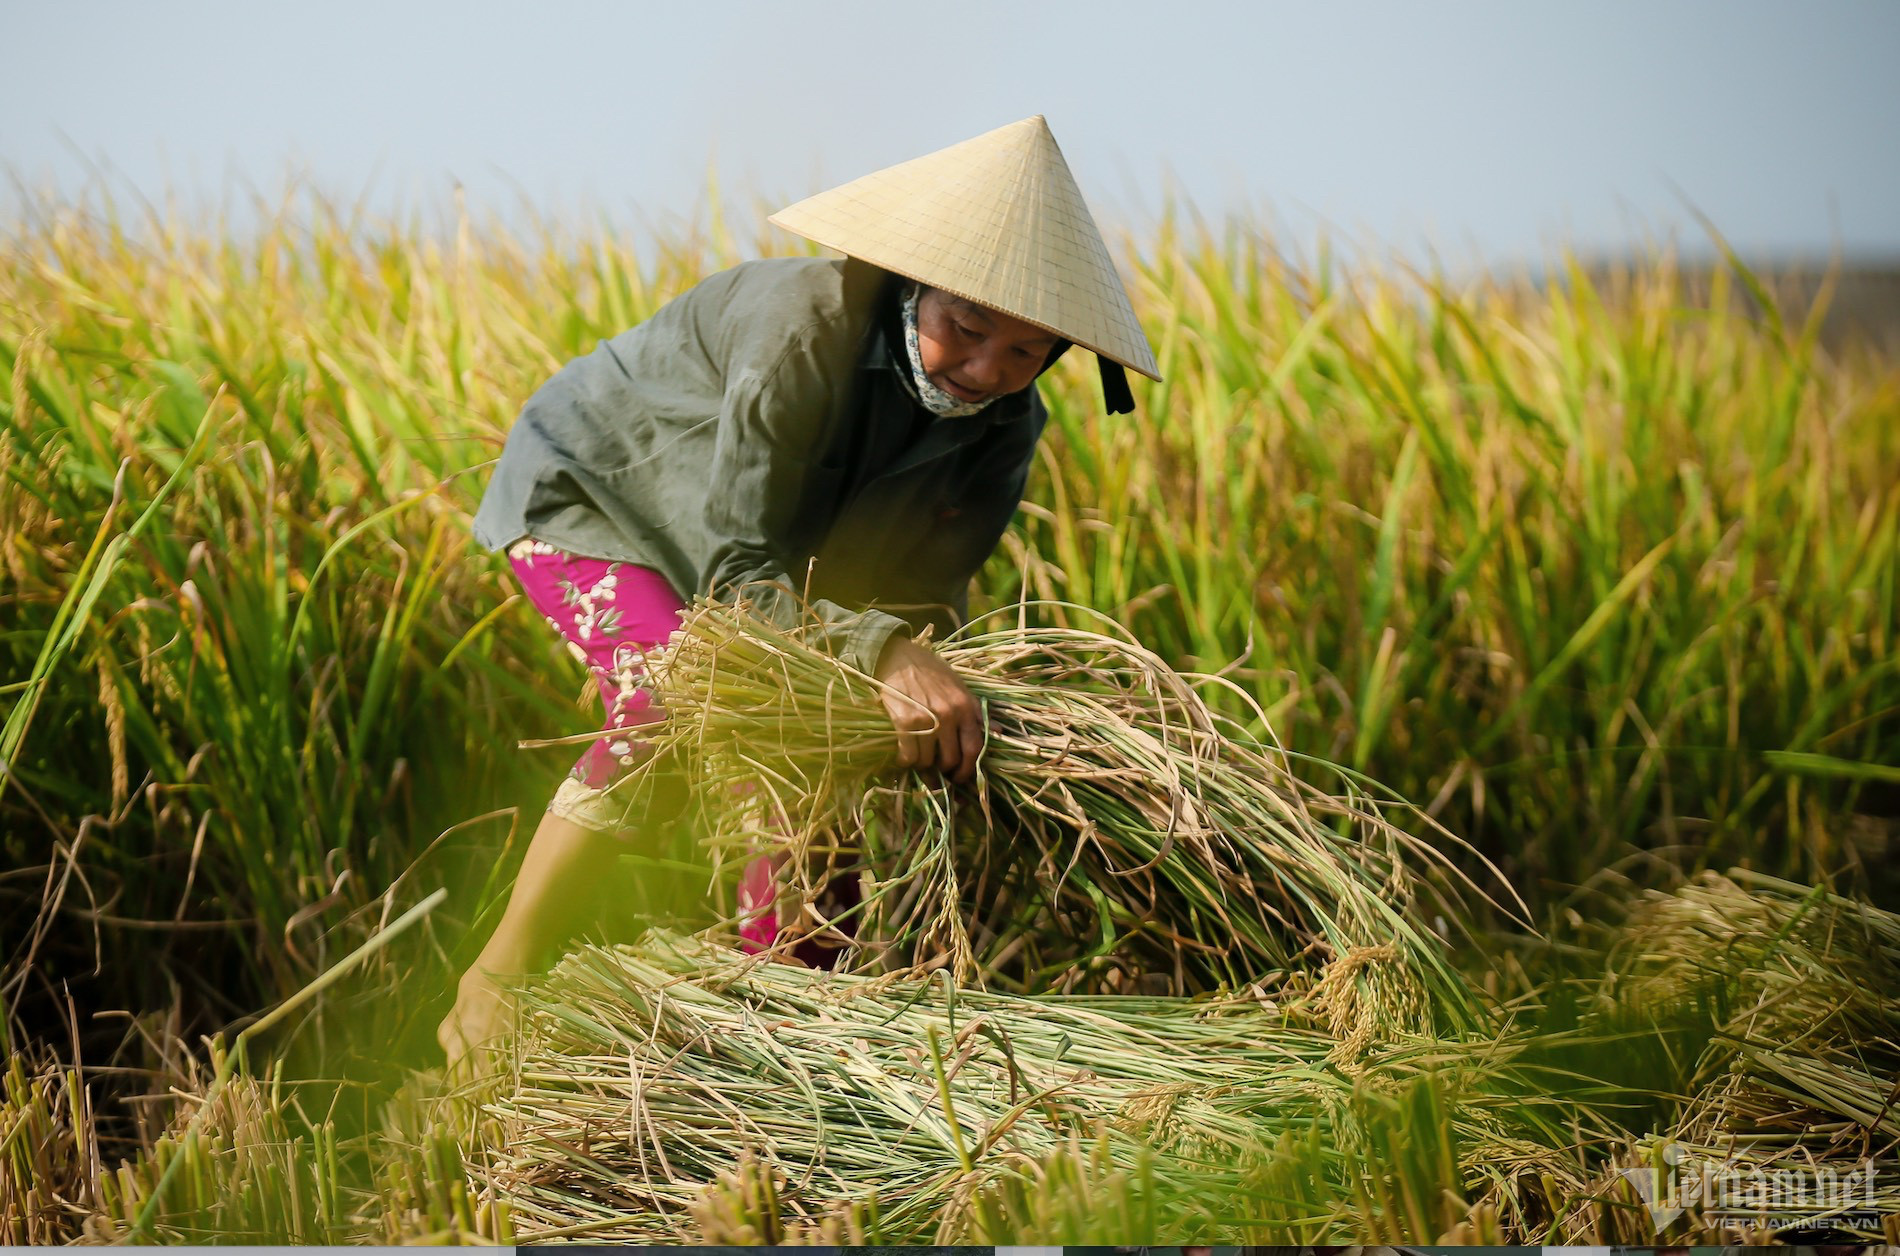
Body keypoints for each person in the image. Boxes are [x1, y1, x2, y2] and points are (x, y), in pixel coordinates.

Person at [437, 115, 1160, 1064]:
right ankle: (498, 976)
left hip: (748, 559)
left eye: (1025, 353)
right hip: (600, 499)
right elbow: (739, 579)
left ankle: (787, 1038)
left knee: (823, 749)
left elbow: (921, 599)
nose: (987, 371)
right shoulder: (802, 336)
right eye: (967, 329)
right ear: (914, 286)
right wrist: (883, 653)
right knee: (661, 701)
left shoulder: (1005, 428)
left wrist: (907, 676)